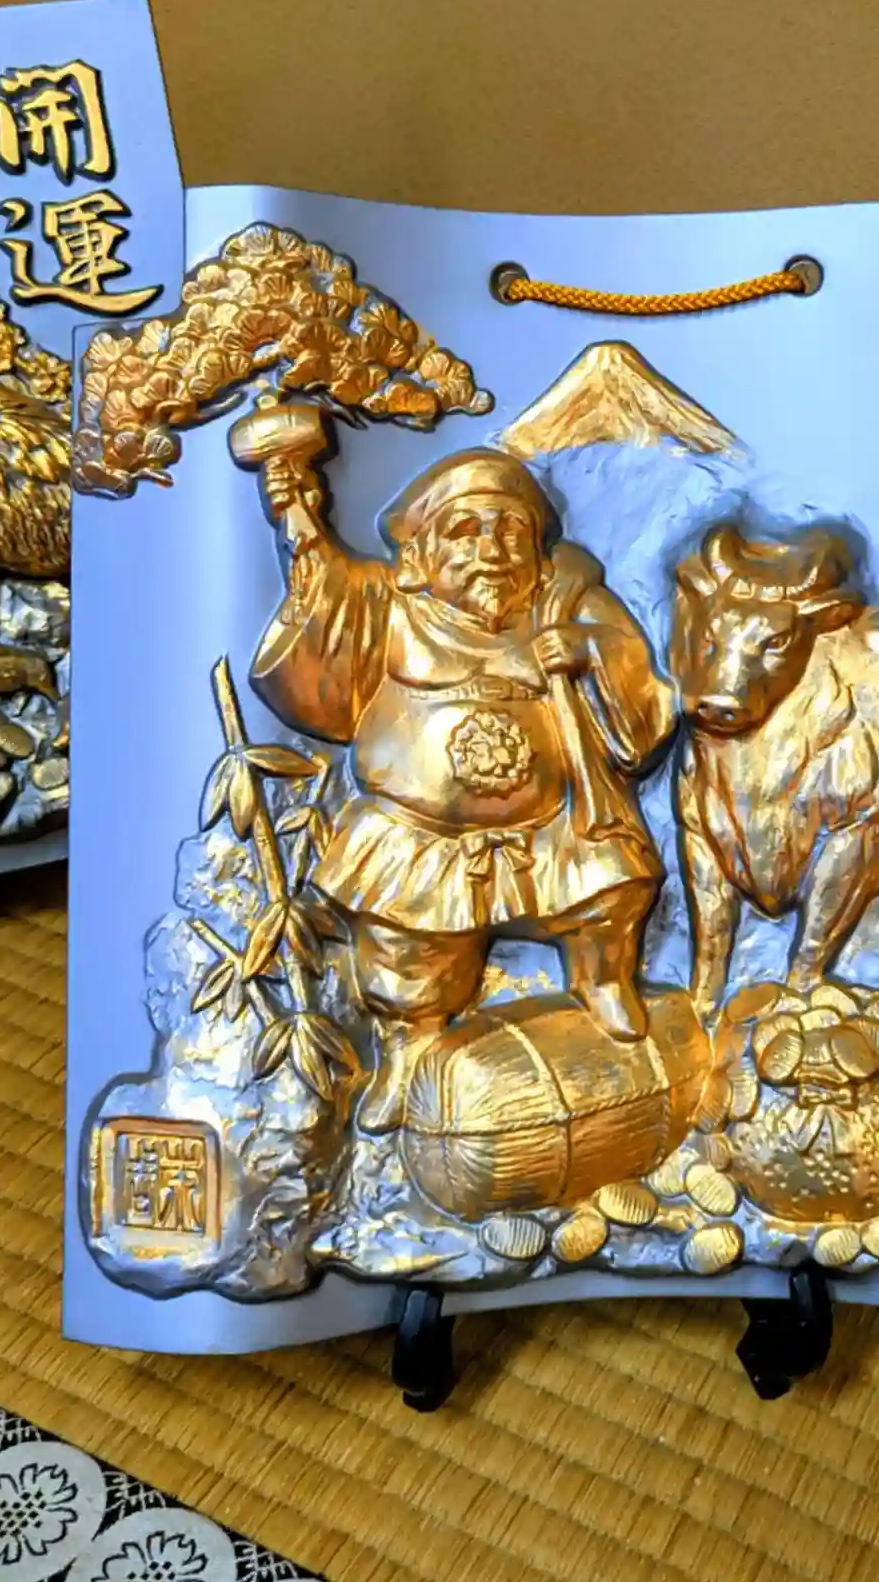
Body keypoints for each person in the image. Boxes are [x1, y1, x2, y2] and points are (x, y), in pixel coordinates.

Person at [246, 436, 675, 1131]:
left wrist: (591, 653)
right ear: (420, 551)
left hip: (554, 826)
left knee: (611, 891)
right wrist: (298, 518)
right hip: (422, 834)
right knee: (404, 946)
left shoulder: (567, 599)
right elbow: (323, 597)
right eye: (466, 531)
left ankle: (602, 982)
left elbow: (640, 691)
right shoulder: (389, 604)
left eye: (511, 531)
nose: (492, 550)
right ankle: (408, 1047)